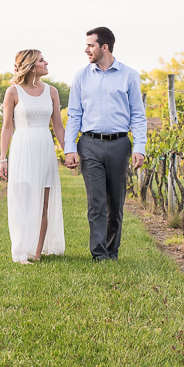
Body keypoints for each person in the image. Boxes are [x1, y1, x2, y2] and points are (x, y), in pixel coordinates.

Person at [63, 27, 146, 261]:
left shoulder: (130, 75)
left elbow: (138, 115)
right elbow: (74, 115)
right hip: (89, 144)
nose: (86, 49)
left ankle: (112, 251)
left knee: (115, 203)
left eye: (90, 45)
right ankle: (99, 254)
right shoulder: (81, 76)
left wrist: (139, 147)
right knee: (96, 202)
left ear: (104, 47)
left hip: (120, 144)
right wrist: (70, 148)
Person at [0, 50, 66, 264]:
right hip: (22, 147)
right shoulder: (13, 92)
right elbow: (7, 127)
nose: (46, 63)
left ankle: (37, 252)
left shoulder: (52, 92)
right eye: (41, 60)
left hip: (44, 146)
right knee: (23, 201)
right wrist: (2, 158)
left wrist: (67, 150)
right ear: (29, 65)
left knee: (44, 202)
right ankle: (20, 250)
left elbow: (58, 125)